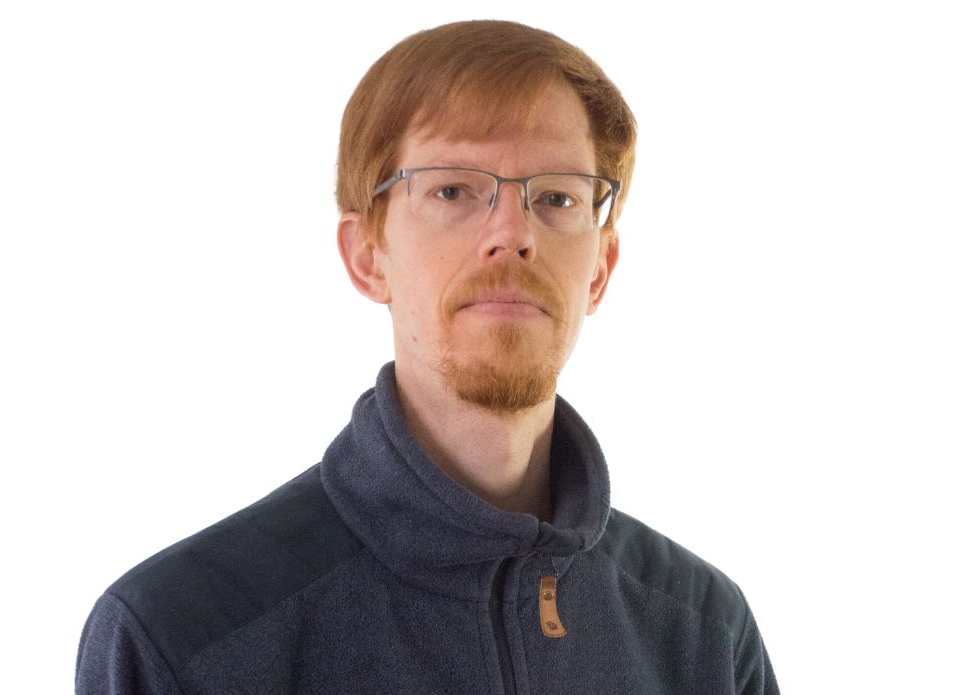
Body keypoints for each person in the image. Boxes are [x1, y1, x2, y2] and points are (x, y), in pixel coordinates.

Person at [75, 20, 778, 695]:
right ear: (366, 255)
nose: (513, 233)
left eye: (557, 197)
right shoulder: (177, 640)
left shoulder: (705, 637)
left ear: (600, 269)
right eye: (452, 190)